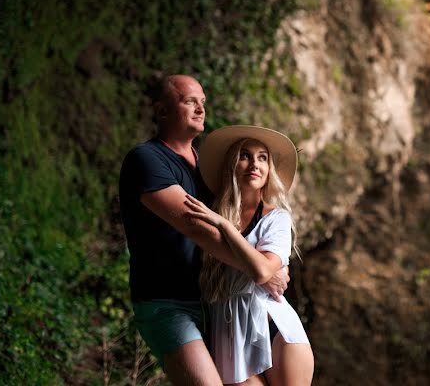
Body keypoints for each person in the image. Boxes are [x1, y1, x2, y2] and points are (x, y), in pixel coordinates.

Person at [119, 75, 290, 386]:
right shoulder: (146, 160)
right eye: (189, 102)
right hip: (167, 303)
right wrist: (261, 269)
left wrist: (276, 261)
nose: (200, 109)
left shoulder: (208, 169)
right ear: (162, 111)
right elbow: (199, 229)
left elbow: (242, 224)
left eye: (203, 102)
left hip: (217, 303)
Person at [185, 125, 314, 386]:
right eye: (245, 155)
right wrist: (218, 220)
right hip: (229, 336)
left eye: (262, 158)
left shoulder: (275, 218)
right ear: (231, 165)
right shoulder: (208, 214)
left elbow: (262, 271)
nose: (254, 164)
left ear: (269, 170)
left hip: (277, 330)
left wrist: (223, 226)